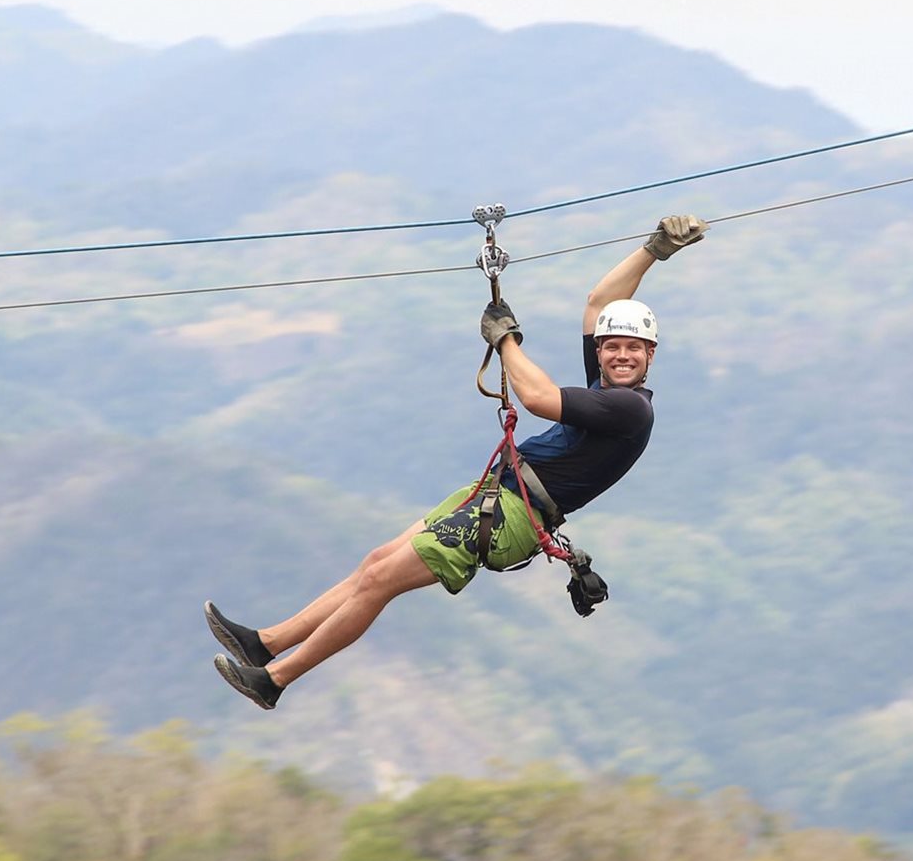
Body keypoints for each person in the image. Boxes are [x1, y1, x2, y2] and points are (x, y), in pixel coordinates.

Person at [207, 214, 708, 710]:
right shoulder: (604, 385)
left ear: (651, 356)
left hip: (513, 514)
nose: (621, 355)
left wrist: (505, 338)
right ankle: (266, 642)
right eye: (613, 346)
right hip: (499, 492)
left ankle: (274, 679)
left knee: (381, 583)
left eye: (633, 349)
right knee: (377, 562)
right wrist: (655, 249)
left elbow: (536, 397)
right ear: (600, 352)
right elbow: (600, 302)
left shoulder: (628, 409)